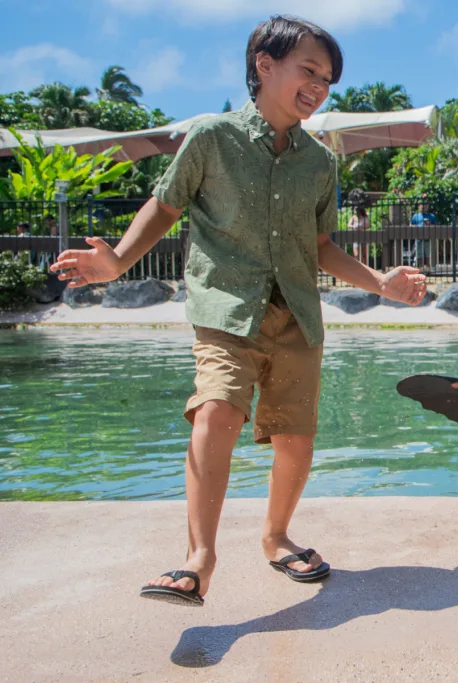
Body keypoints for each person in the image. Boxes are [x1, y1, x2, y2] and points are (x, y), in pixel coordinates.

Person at [50, 14, 427, 607]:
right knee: (216, 414)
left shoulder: (320, 163)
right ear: (264, 65)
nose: (319, 85)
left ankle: (276, 537)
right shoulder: (211, 138)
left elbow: (322, 246)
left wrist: (381, 281)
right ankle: (199, 560)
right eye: (309, 70)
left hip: (297, 315)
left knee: (295, 441)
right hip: (225, 308)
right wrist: (118, 260)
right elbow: (165, 205)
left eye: (326, 77)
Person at [409, 203, 436, 268]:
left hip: (428, 238)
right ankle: (420, 269)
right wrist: (417, 227)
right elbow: (410, 226)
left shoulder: (431, 216)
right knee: (419, 255)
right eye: (422, 205)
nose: (423, 206)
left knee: (429, 255)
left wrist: (429, 225)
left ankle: (429, 269)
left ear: (428, 206)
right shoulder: (416, 216)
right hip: (418, 239)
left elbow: (436, 227)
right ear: (419, 206)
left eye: (425, 205)